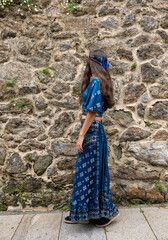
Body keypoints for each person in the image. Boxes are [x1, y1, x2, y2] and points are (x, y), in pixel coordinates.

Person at [64, 49, 120, 227]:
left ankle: (104, 212)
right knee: (92, 173)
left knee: (87, 173)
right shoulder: (100, 81)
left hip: (91, 132)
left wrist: (81, 136)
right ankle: (87, 213)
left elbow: (92, 111)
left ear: (92, 64)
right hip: (95, 131)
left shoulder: (95, 81)